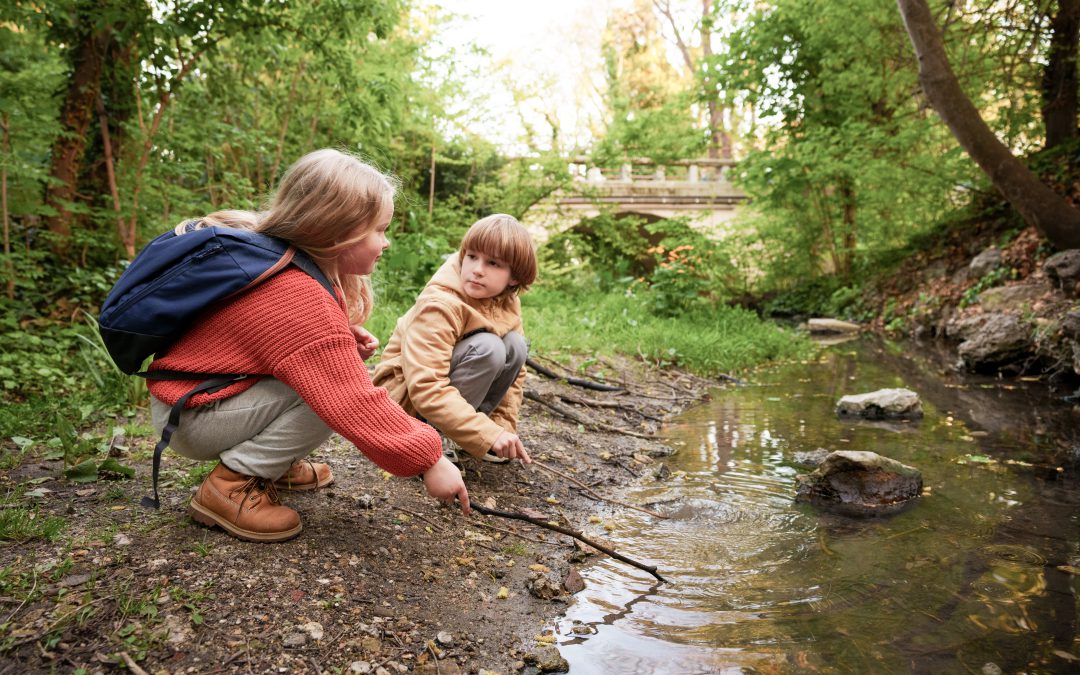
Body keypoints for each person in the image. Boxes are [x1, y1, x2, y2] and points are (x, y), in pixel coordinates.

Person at [147, 149, 469, 543]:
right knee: (327, 396)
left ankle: (272, 465)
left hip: (193, 399)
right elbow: (353, 401)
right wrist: (430, 459)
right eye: (379, 230)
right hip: (192, 416)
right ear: (338, 230)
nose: (385, 243)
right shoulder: (297, 292)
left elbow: (256, 335)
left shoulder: (280, 261)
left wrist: (339, 338)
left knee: (325, 379)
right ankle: (230, 486)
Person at [373, 214, 537, 465]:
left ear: (513, 277)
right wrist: (487, 434)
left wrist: (500, 427)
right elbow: (426, 385)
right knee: (489, 348)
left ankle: (469, 433)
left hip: (448, 399)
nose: (477, 270)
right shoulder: (441, 303)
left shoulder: (506, 300)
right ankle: (430, 442)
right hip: (404, 402)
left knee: (515, 346)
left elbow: (516, 378)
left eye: (493, 263)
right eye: (472, 257)